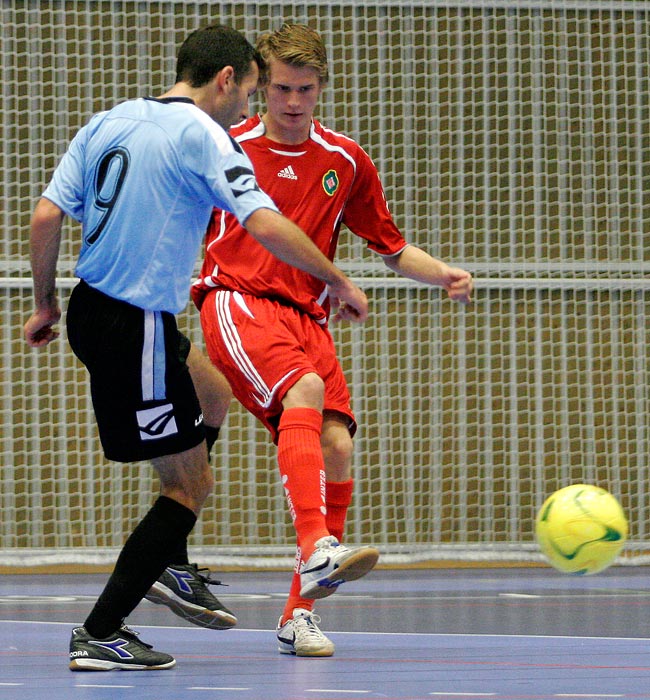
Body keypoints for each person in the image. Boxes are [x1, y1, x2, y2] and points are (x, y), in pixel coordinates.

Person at [23, 23, 370, 671]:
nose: (250, 110)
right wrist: (336, 277)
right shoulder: (203, 135)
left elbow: (46, 217)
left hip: (90, 309)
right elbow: (263, 221)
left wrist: (44, 303)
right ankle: (101, 632)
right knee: (190, 484)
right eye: (251, 94)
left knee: (214, 390)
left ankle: (172, 563)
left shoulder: (110, 119)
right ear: (226, 80)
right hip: (137, 324)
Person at [191, 23, 474, 658]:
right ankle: (320, 547)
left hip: (308, 319)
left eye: (306, 90)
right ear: (262, 85)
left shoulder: (345, 160)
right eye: (282, 88)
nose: (292, 102)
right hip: (238, 301)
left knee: (338, 447)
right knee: (306, 389)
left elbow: (391, 247)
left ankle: (299, 614)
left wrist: (444, 275)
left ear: (322, 89)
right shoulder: (222, 144)